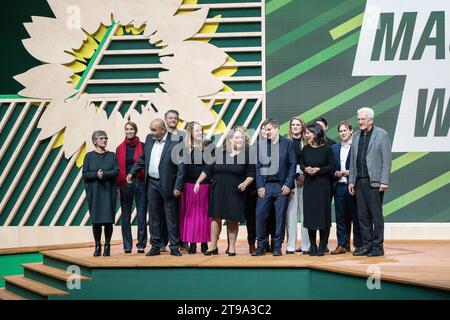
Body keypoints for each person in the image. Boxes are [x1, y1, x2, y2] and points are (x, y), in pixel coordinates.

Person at [127, 119, 185, 256]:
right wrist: (132, 172)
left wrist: (178, 186)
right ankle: (156, 246)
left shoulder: (176, 141)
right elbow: (143, 158)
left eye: (154, 130)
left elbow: (182, 167)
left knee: (171, 216)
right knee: (154, 216)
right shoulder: (149, 138)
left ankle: (175, 246)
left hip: (168, 184)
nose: (151, 132)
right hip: (152, 183)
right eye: (150, 129)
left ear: (163, 130)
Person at [194, 126, 255, 256]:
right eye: (237, 137)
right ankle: (213, 247)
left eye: (242, 138)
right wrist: (198, 181)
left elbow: (252, 173)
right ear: (230, 139)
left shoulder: (248, 154)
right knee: (215, 219)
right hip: (218, 190)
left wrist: (245, 183)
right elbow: (207, 169)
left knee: (233, 219)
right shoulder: (219, 153)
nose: (239, 140)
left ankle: (232, 247)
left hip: (235, 191)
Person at [349, 107, 392, 257]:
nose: (360, 122)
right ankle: (367, 245)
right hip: (359, 181)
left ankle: (378, 247)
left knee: (376, 216)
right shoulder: (355, 136)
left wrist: (384, 181)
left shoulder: (382, 135)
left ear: (371, 120)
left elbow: (387, 160)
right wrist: (351, 181)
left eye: (363, 119)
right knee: (363, 216)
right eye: (359, 119)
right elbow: (353, 161)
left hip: (374, 182)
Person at [253, 119, 296, 257]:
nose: (267, 132)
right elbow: (257, 166)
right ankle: (260, 246)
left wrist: (288, 184)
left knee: (279, 217)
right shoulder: (260, 145)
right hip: (265, 186)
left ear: (277, 129)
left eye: (269, 129)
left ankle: (277, 246)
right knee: (260, 215)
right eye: (265, 130)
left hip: (281, 186)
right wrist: (259, 185)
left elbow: (292, 165)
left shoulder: (288, 143)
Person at [83, 130, 119, 257]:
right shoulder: (89, 156)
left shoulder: (112, 156)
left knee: (108, 221)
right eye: (102, 138)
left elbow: (116, 171)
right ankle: (97, 245)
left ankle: (107, 245)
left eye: (106, 138)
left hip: (108, 191)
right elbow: (85, 173)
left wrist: (104, 174)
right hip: (95, 192)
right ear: (95, 141)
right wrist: (96, 175)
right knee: (96, 221)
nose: (104, 140)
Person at [300, 123, 334, 256]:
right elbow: (302, 164)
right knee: (310, 216)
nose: (306, 135)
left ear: (316, 134)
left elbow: (331, 167)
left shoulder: (327, 149)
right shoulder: (305, 149)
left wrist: (319, 169)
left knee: (323, 216)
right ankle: (312, 245)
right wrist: (305, 169)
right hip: (309, 186)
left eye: (309, 133)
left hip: (323, 186)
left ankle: (322, 245)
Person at [331, 121, 363, 255]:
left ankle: (358, 245)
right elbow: (330, 166)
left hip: (353, 186)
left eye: (345, 130)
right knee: (340, 217)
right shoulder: (334, 148)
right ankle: (342, 245)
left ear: (351, 131)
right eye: (340, 131)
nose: (342, 133)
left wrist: (350, 172)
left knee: (356, 217)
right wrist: (335, 173)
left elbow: (361, 165)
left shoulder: (357, 146)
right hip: (339, 186)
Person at [179, 122, 211, 254]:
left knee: (204, 216)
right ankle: (192, 243)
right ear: (190, 133)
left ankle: (204, 243)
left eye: (200, 130)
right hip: (188, 185)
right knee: (191, 216)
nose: (199, 132)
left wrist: (199, 181)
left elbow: (209, 166)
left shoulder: (209, 147)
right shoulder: (185, 149)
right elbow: (182, 169)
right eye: (196, 130)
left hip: (204, 185)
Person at [116, 122, 147, 254]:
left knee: (141, 215)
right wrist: (117, 186)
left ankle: (141, 244)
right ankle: (127, 245)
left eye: (132, 129)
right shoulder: (119, 148)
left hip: (140, 182)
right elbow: (117, 168)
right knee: (126, 216)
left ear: (136, 130)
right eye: (127, 129)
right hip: (125, 183)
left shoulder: (144, 146)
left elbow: (144, 163)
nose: (129, 131)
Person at [285, 117, 311, 254]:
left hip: (307, 178)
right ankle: (290, 246)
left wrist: (304, 174)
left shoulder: (308, 141)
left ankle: (306, 246)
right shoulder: (285, 142)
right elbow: (285, 162)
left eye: (298, 125)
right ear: (290, 127)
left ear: (302, 127)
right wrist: (295, 175)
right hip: (290, 179)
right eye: (293, 125)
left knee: (305, 212)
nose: (295, 127)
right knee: (291, 213)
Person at [164, 109, 186, 251]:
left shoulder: (182, 136)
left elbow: (184, 160)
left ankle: (179, 241)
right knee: (161, 214)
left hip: (177, 180)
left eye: (175, 118)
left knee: (179, 213)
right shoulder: (160, 135)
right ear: (165, 120)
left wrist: (179, 183)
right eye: (170, 118)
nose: (173, 120)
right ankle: (161, 242)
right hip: (161, 180)